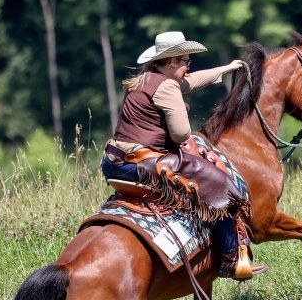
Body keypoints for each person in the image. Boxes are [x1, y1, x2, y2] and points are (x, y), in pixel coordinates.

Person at [101, 31, 264, 280]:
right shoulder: (167, 86)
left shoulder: (146, 79)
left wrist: (227, 68)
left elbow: (190, 81)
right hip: (145, 166)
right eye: (186, 61)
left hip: (115, 165)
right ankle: (232, 259)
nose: (188, 67)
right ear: (172, 62)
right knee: (222, 188)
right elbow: (180, 135)